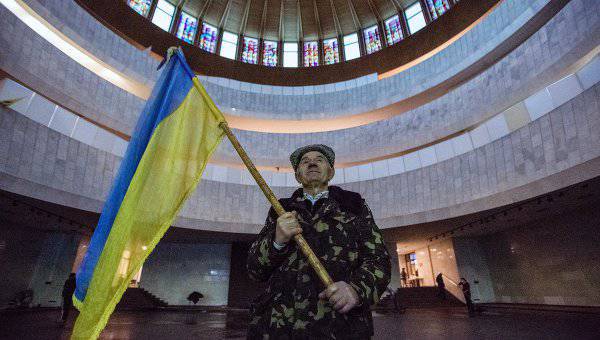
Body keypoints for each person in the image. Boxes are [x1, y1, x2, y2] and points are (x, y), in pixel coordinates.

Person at [246, 144, 391, 339]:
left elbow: (378, 260)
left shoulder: (353, 206)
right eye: (305, 161)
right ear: (298, 175)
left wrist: (356, 290)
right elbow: (255, 270)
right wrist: (277, 240)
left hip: (339, 329)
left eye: (319, 160)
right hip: (278, 328)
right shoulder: (280, 210)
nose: (312, 162)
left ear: (330, 172)